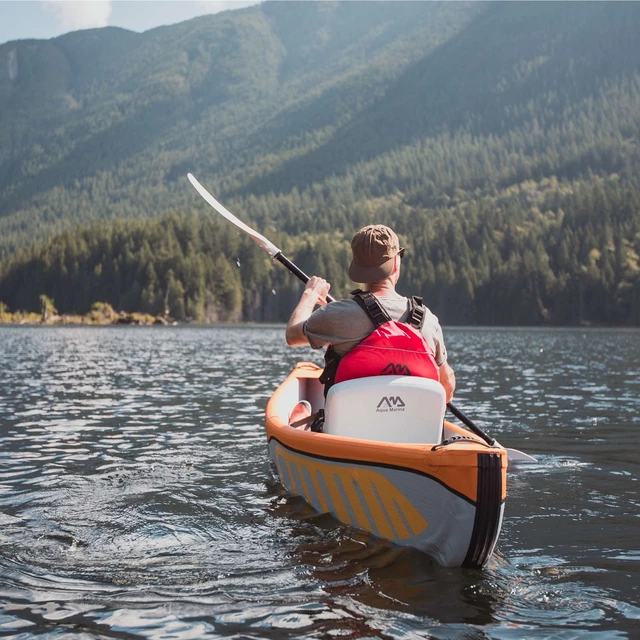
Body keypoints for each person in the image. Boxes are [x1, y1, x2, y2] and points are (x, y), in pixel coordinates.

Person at [286, 224, 455, 424]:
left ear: (356, 268)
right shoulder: (428, 320)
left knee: (304, 413)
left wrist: (310, 294)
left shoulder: (337, 315)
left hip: (348, 435)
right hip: (414, 435)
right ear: (395, 264)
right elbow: (446, 385)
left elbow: (293, 335)